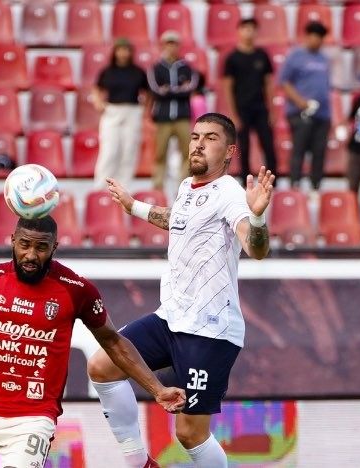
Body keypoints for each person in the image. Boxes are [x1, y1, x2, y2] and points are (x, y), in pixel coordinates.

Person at [87, 113, 275, 468]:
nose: (199, 144)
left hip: (210, 331)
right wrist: (134, 207)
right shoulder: (188, 186)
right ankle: (140, 463)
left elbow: (256, 248)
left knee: (189, 434)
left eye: (210, 138)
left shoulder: (231, 194)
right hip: (170, 317)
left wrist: (259, 218)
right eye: (194, 137)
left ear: (229, 151)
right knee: (101, 365)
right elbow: (179, 218)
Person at [0, 216, 187, 468]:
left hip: (32, 416)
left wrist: (157, 390)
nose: (31, 255)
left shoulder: (76, 289)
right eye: (25, 244)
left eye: (41, 247)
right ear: (12, 241)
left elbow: (114, 343)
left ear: (54, 247)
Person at [279, 21, 331, 199]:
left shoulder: (324, 59)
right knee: (299, 149)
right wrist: (299, 101)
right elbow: (283, 82)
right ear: (307, 36)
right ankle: (295, 184)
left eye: (320, 37)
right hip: (300, 112)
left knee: (319, 151)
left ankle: (315, 186)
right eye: (314, 35)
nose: (316, 40)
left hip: (322, 113)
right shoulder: (296, 56)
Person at [222, 17, 278, 180]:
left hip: (260, 108)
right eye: (245, 28)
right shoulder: (232, 58)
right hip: (242, 108)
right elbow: (227, 87)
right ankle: (246, 181)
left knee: (268, 145)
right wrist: (233, 113)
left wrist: (272, 110)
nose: (249, 32)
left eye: (252, 29)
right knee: (244, 147)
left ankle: (272, 181)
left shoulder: (262, 55)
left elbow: (268, 84)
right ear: (239, 31)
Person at [92, 37, 150, 189]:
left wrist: (145, 109)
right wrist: (98, 102)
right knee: (109, 150)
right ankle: (100, 186)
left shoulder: (138, 72)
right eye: (120, 50)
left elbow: (148, 92)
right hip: (112, 111)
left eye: (126, 50)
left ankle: (124, 187)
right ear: (115, 52)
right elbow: (97, 88)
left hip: (132, 110)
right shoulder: (108, 71)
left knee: (129, 150)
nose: (123, 53)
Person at [149, 30, 201, 192]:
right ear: (163, 45)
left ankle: (184, 184)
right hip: (163, 116)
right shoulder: (157, 68)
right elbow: (156, 90)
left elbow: (190, 88)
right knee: (160, 153)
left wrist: (170, 90)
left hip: (182, 116)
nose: (171, 47)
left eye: (174, 43)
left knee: (187, 152)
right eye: (168, 43)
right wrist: (178, 90)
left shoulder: (186, 67)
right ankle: (158, 185)